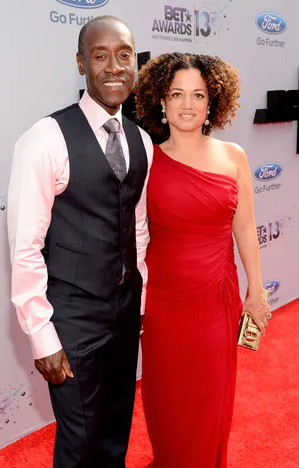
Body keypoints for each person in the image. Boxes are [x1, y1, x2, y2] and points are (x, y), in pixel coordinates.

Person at [7, 16, 152, 468]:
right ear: (80, 63)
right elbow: (25, 247)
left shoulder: (142, 139)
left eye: (124, 55)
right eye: (100, 55)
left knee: (115, 433)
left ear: (135, 64)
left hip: (126, 313)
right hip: (70, 315)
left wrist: (140, 302)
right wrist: (41, 337)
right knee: (79, 442)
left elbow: (138, 226)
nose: (114, 67)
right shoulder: (45, 138)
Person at [135, 52, 270, 468]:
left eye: (198, 94)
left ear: (213, 102)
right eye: (177, 94)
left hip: (216, 301)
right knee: (167, 400)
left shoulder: (234, 156)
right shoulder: (146, 159)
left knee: (209, 401)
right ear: (161, 100)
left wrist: (257, 289)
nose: (187, 104)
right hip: (162, 305)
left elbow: (245, 227)